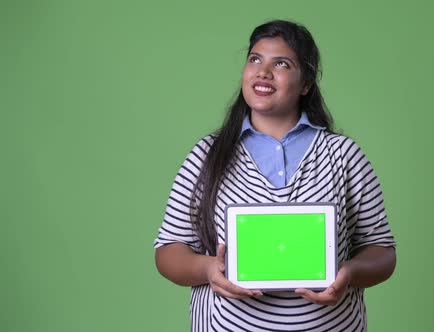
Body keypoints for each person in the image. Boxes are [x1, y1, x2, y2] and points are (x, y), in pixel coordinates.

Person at [154, 19, 397, 331]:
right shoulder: (206, 155)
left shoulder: (344, 155)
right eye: (255, 59)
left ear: (306, 83)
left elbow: (382, 252)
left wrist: (348, 272)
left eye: (281, 63)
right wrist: (208, 269)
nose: (263, 72)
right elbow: (169, 250)